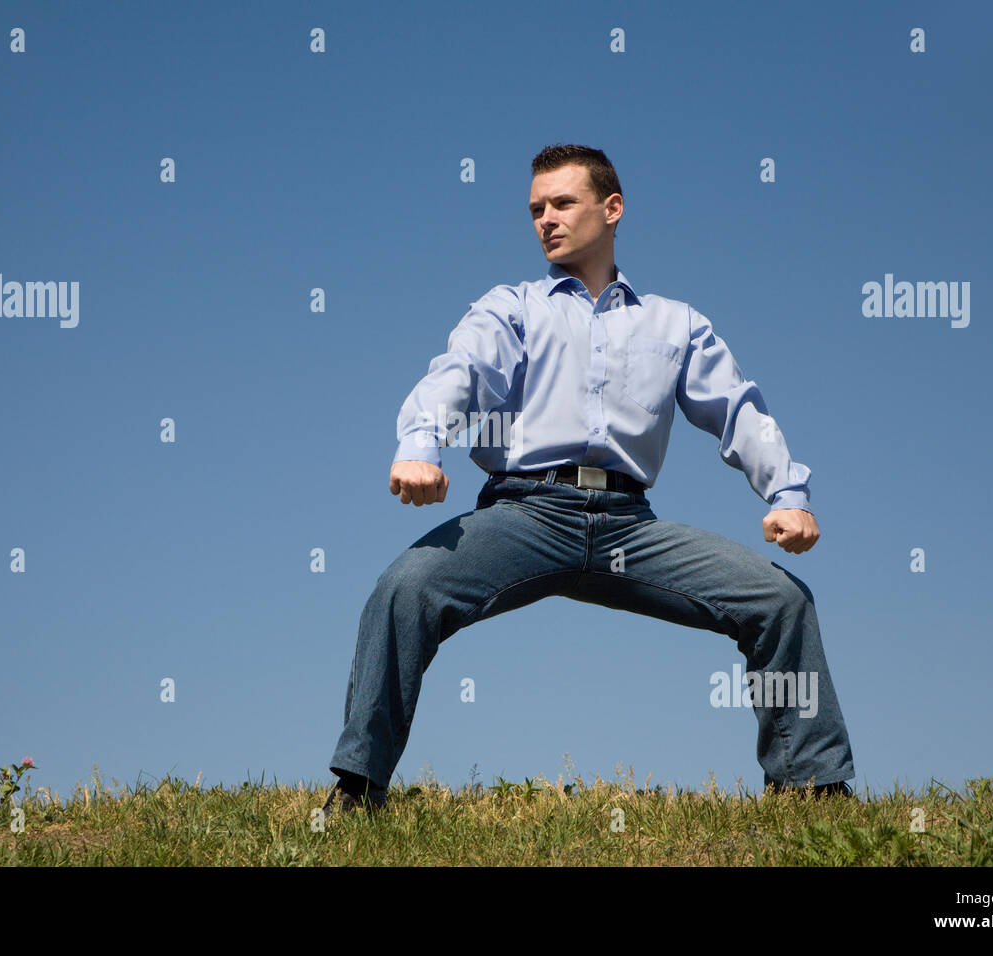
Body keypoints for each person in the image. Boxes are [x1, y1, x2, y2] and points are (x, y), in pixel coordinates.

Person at [321, 143, 855, 818]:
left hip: (630, 528)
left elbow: (737, 409)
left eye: (563, 203)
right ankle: (359, 789)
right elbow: (459, 371)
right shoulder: (514, 307)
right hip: (524, 515)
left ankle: (815, 793)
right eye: (536, 209)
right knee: (404, 588)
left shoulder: (674, 323)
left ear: (612, 209)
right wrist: (422, 444)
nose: (546, 219)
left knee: (780, 601)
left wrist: (786, 495)